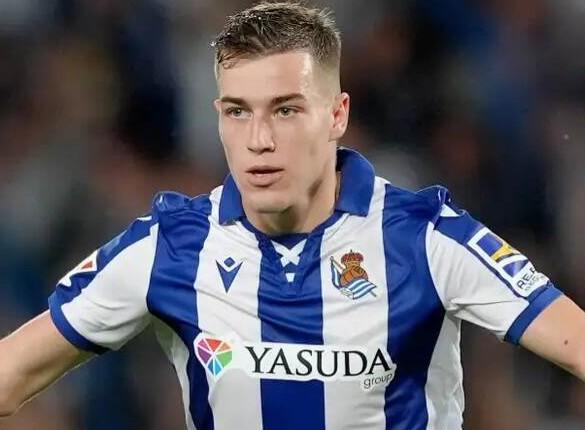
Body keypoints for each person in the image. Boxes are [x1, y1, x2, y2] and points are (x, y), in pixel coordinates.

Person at [1, 2, 584, 429]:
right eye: (237, 111)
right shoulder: (170, 248)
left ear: (337, 115)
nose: (259, 140)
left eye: (285, 110)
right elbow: (12, 377)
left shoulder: (425, 238)